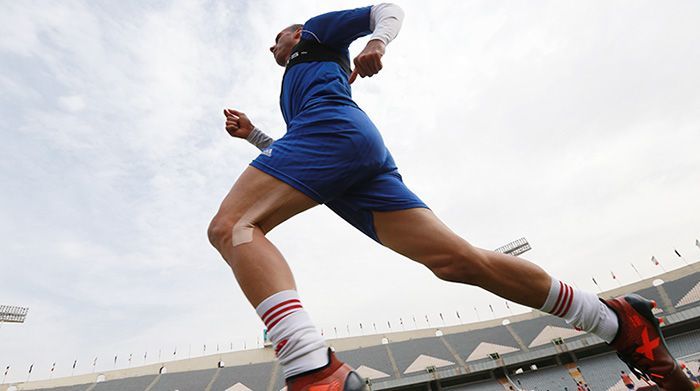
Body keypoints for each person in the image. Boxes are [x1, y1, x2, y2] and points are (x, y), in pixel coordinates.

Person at [208, 4, 694, 390]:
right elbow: (301, 165)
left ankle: (312, 367)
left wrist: (377, 42)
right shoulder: (301, 83)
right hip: (343, 154)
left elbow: (388, 7)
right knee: (457, 261)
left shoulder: (314, 34)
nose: (270, 46)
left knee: (232, 228)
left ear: (294, 34)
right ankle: (615, 320)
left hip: (332, 138)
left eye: (275, 38)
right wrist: (254, 137)